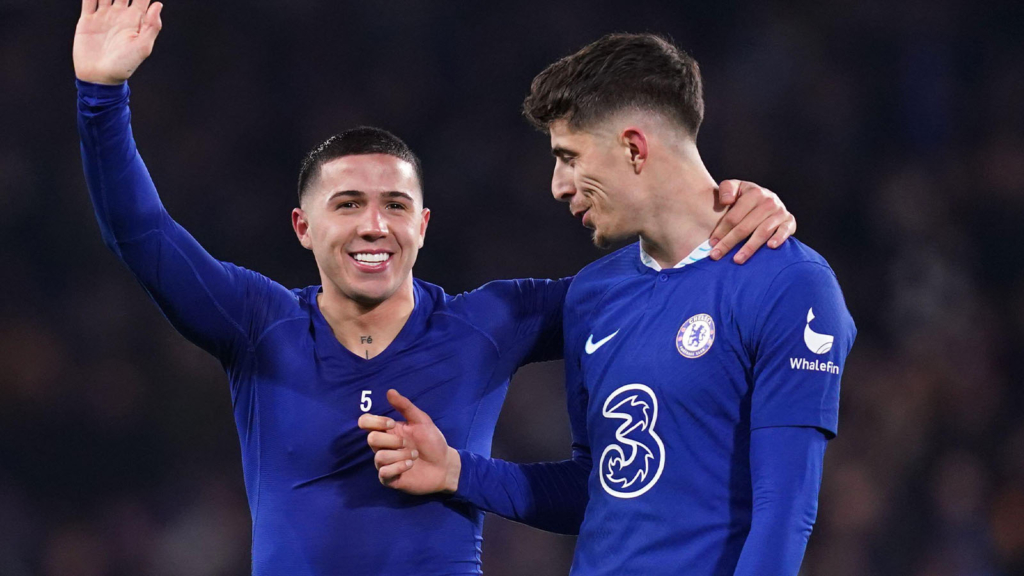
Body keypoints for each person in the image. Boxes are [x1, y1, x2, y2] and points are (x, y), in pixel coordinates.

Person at [74, 2, 795, 574]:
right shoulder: (257, 323)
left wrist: (726, 208)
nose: (373, 226)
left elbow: (650, 274)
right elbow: (143, 235)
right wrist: (101, 97)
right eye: (347, 204)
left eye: (394, 206)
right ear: (302, 226)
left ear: (423, 225)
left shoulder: (488, 322)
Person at [363, 33, 857, 576]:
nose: (557, 185)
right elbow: (597, 487)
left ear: (633, 147)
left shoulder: (788, 283)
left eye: (569, 157)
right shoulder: (592, 295)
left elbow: (785, 512)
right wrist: (458, 471)